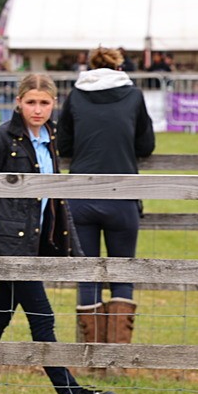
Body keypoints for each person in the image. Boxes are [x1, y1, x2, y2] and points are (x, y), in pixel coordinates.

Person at [0, 73, 116, 394]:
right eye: (31, 102)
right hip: (7, 247)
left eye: (44, 103)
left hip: (34, 243)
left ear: (53, 104)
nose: (38, 109)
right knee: (43, 319)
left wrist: (73, 249)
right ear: (18, 102)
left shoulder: (51, 138)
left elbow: (56, 198)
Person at [57, 46, 155, 345]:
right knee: (123, 271)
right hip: (123, 195)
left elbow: (63, 144)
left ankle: (91, 358)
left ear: (89, 66)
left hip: (81, 195)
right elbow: (146, 145)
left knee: (88, 273)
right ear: (119, 66)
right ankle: (118, 357)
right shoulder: (134, 96)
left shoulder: (76, 95)